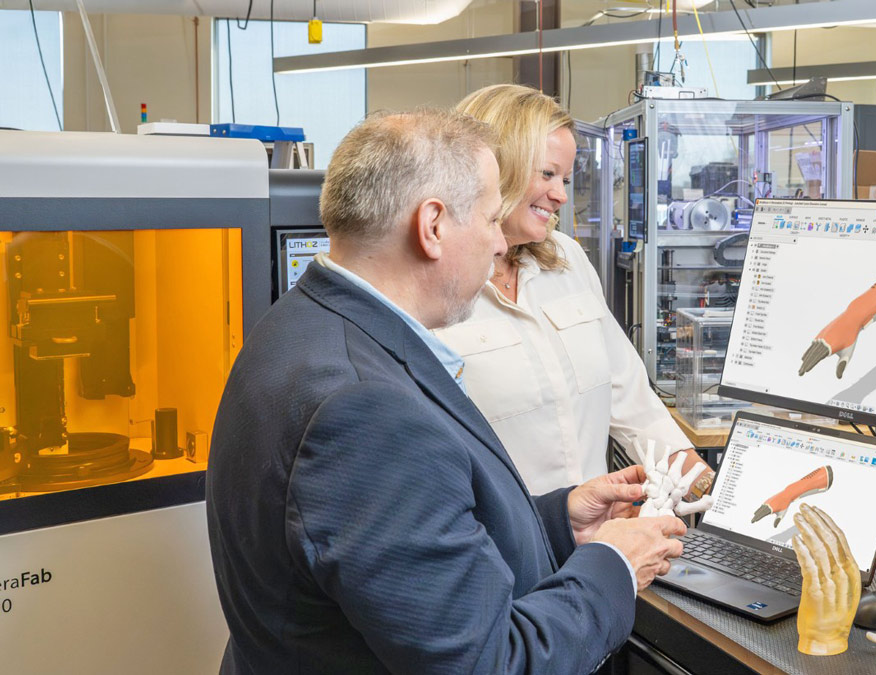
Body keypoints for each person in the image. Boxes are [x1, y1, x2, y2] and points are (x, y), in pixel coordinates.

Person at [205, 109, 687, 674]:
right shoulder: (365, 413)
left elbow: (407, 552)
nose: (497, 247)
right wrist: (614, 565)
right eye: (489, 222)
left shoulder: (302, 325)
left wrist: (557, 522)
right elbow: (492, 664)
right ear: (432, 226)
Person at [438, 83, 715, 497]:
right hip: (499, 546)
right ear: (497, 165)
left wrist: (709, 487)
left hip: (589, 533)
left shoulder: (565, 258)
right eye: (547, 173)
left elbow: (630, 397)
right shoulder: (438, 285)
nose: (561, 195)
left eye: (566, 178)